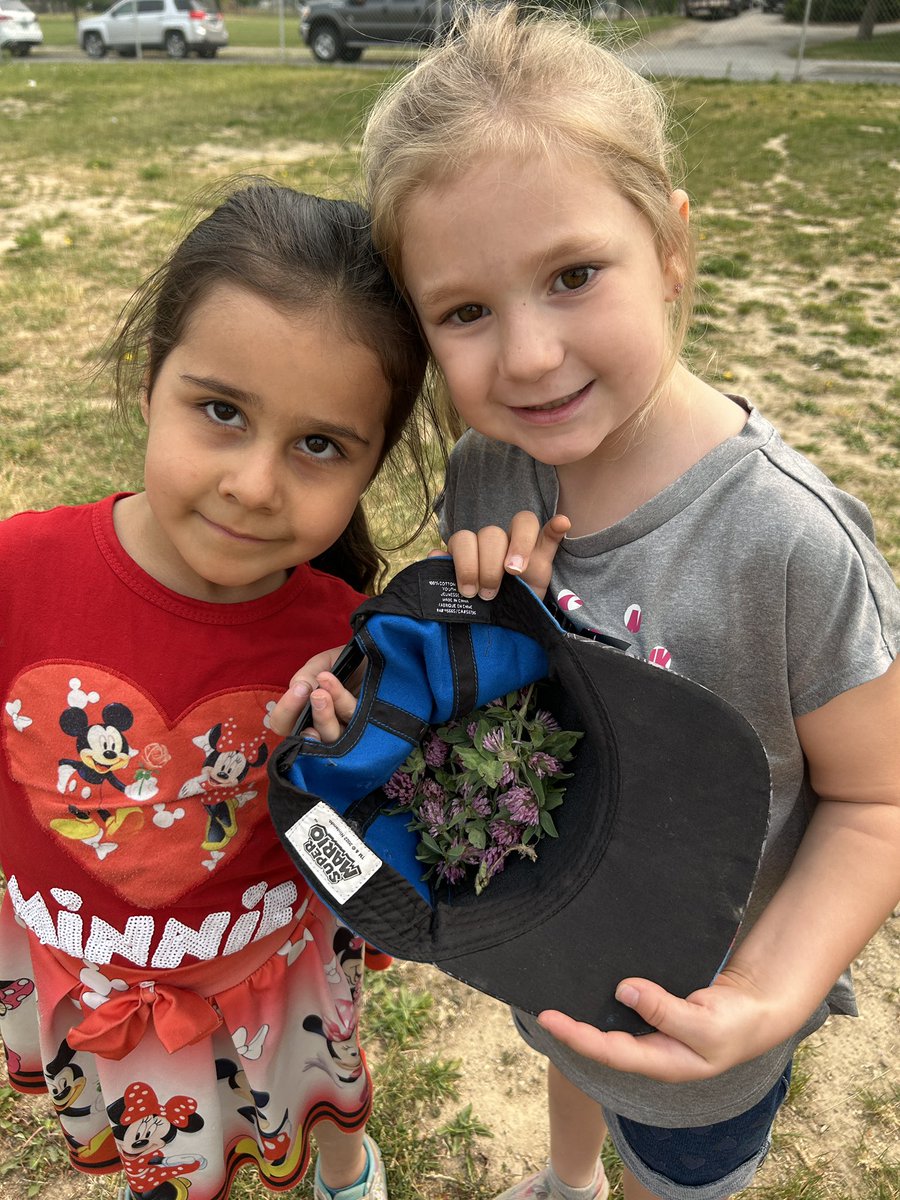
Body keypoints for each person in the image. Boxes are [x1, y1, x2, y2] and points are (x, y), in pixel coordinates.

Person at [273, 8, 900, 1200]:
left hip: (695, 1034)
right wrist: (347, 695)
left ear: (670, 246)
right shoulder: (489, 471)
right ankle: (570, 1180)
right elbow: (455, 671)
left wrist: (765, 998)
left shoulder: (786, 542)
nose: (526, 355)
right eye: (464, 311)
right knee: (565, 1045)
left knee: (678, 1169)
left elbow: (878, 796)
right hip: (551, 940)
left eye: (573, 275)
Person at [0, 180, 443, 1200]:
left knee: (328, 1083)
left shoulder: (351, 639)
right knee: (160, 1156)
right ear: (150, 381)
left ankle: (346, 1168)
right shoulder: (17, 572)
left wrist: (345, 750)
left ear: (373, 462)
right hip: (92, 977)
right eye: (222, 412)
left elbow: (371, 843)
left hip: (274, 974)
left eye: (320, 445)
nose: (254, 483)